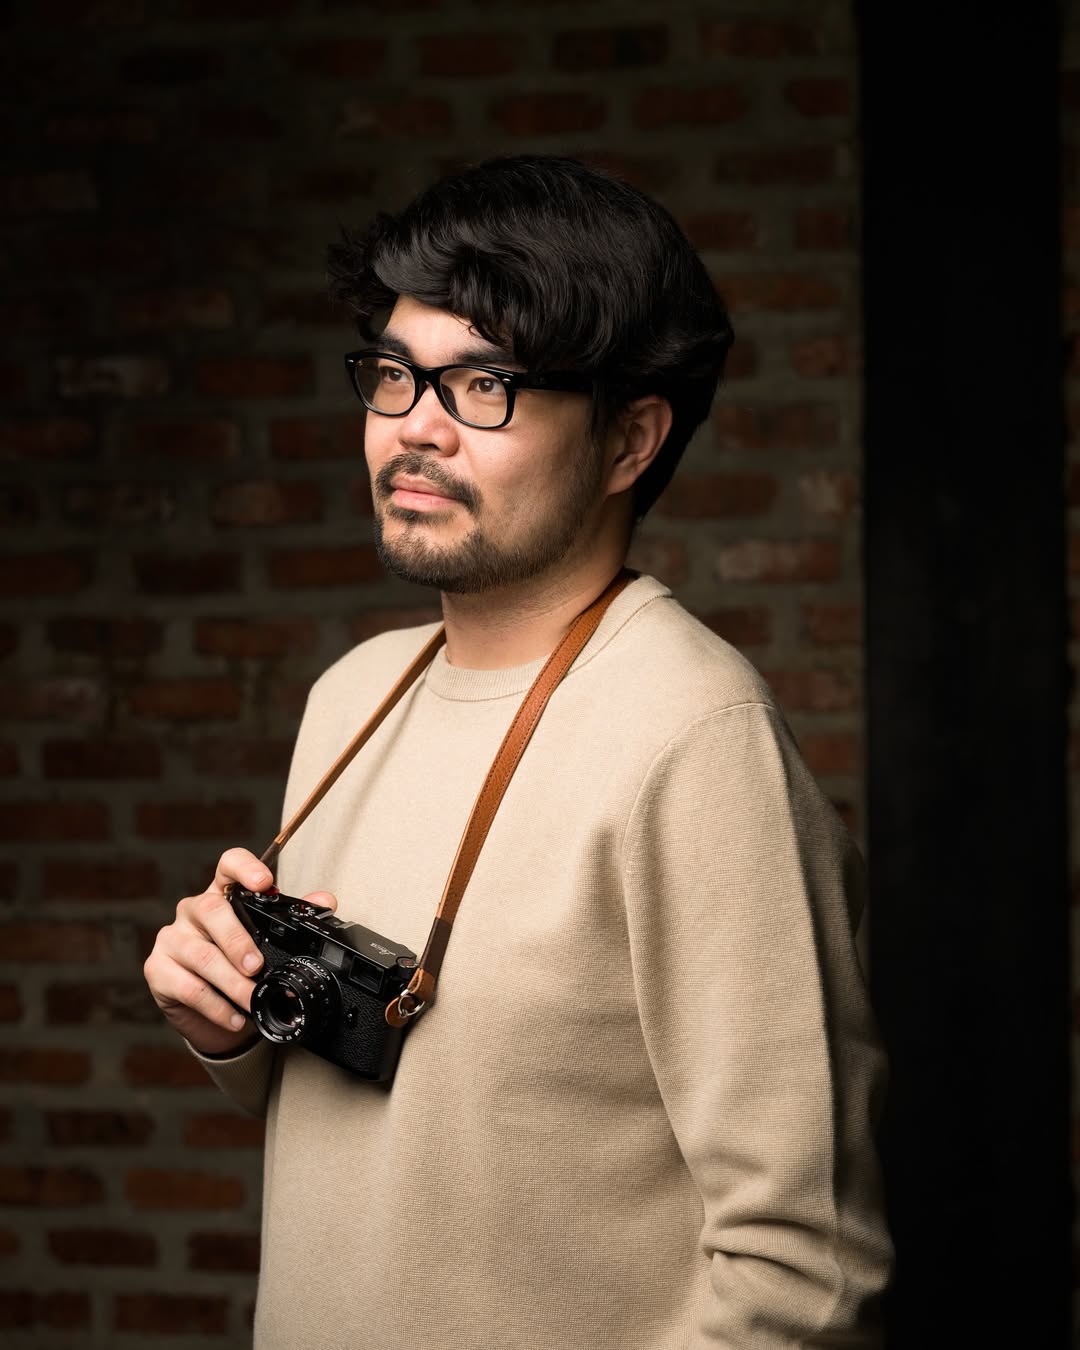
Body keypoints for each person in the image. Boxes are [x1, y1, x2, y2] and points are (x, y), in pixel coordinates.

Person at [144, 154, 891, 1349]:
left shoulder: (697, 739)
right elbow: (418, 1124)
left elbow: (802, 1273)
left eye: (484, 384)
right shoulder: (352, 696)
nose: (415, 428)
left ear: (629, 440)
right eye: (396, 374)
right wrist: (227, 1020)